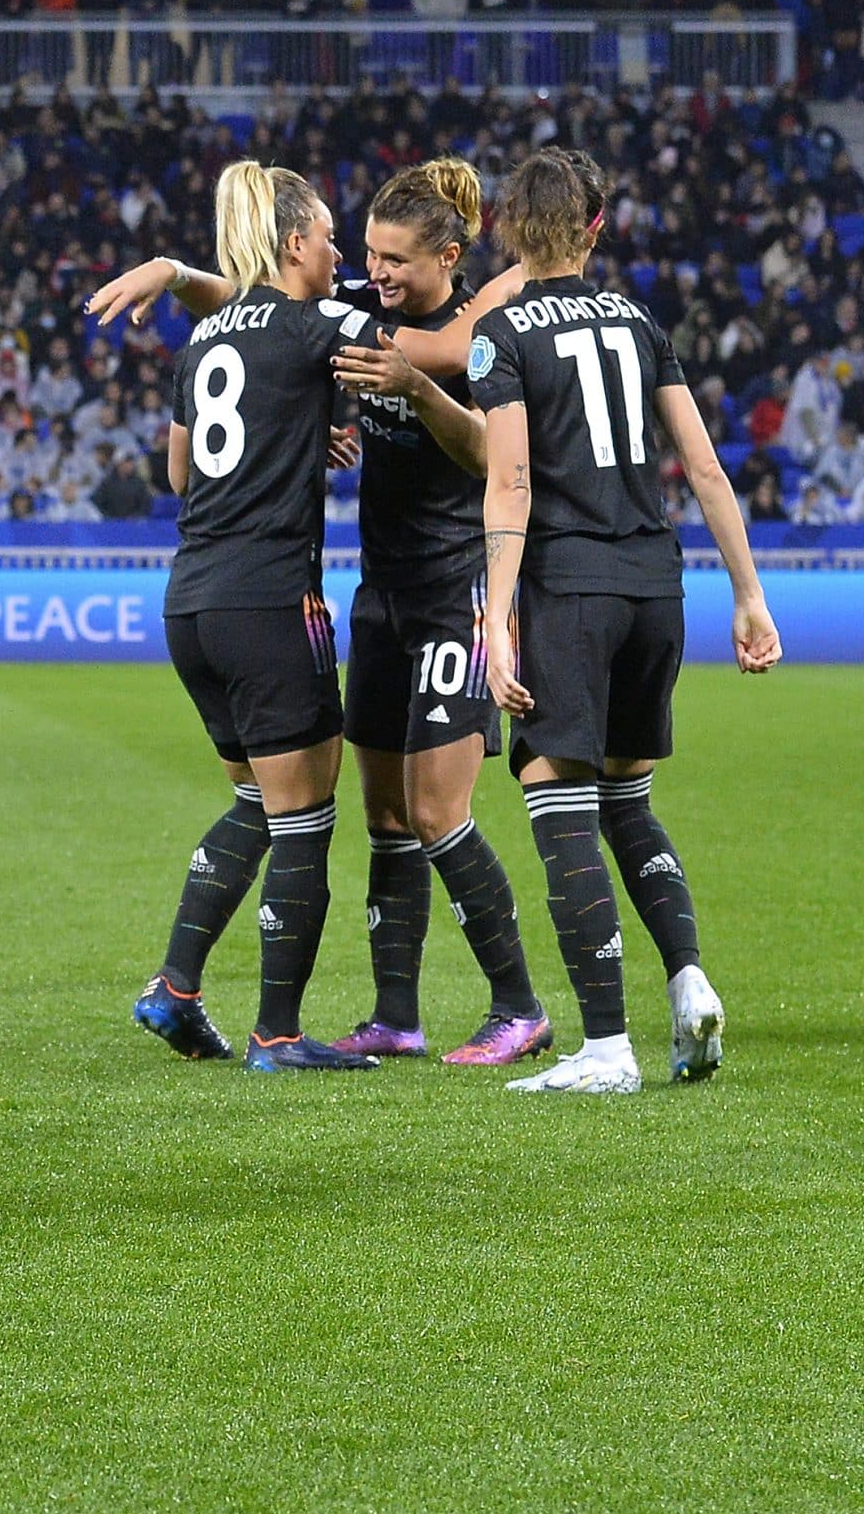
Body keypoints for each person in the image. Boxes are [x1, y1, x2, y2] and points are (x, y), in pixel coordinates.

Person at [88, 161, 553, 1067]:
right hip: (374, 597)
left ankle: (517, 1006)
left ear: (446, 256)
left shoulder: (474, 335)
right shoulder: (341, 316)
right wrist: (180, 276)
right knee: (378, 816)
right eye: (359, 249)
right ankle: (391, 1016)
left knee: (432, 812)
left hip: (451, 589)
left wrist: (429, 372)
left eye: (390, 257)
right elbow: (273, 311)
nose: (368, 267)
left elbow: (488, 449)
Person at [474, 148, 781, 1092]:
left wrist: (496, 616)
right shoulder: (640, 322)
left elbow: (511, 482)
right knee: (627, 801)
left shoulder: (502, 334)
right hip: (656, 586)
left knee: (554, 795)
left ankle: (606, 1047)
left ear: (510, 231)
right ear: (594, 228)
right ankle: (689, 984)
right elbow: (706, 467)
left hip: (572, 590)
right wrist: (749, 594)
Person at [123, 162, 393, 1072]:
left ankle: (175, 988)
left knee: (255, 801)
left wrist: (294, 438)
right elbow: (414, 351)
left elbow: (181, 473)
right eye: (330, 240)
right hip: (272, 597)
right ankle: (277, 1033)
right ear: (294, 243)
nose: (340, 256)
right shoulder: (318, 324)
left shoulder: (201, 341)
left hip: (193, 600)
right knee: (305, 813)